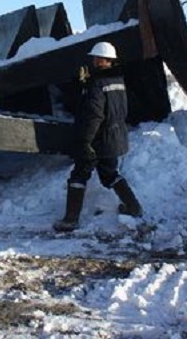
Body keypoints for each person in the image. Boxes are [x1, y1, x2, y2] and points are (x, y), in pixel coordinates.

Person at [54, 41, 143, 232]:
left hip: (98, 140)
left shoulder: (97, 84)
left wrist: (85, 141)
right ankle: (134, 207)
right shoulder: (118, 81)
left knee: (79, 175)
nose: (93, 60)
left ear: (104, 59)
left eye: (95, 57)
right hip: (114, 137)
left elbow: (93, 115)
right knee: (110, 174)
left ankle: (70, 220)